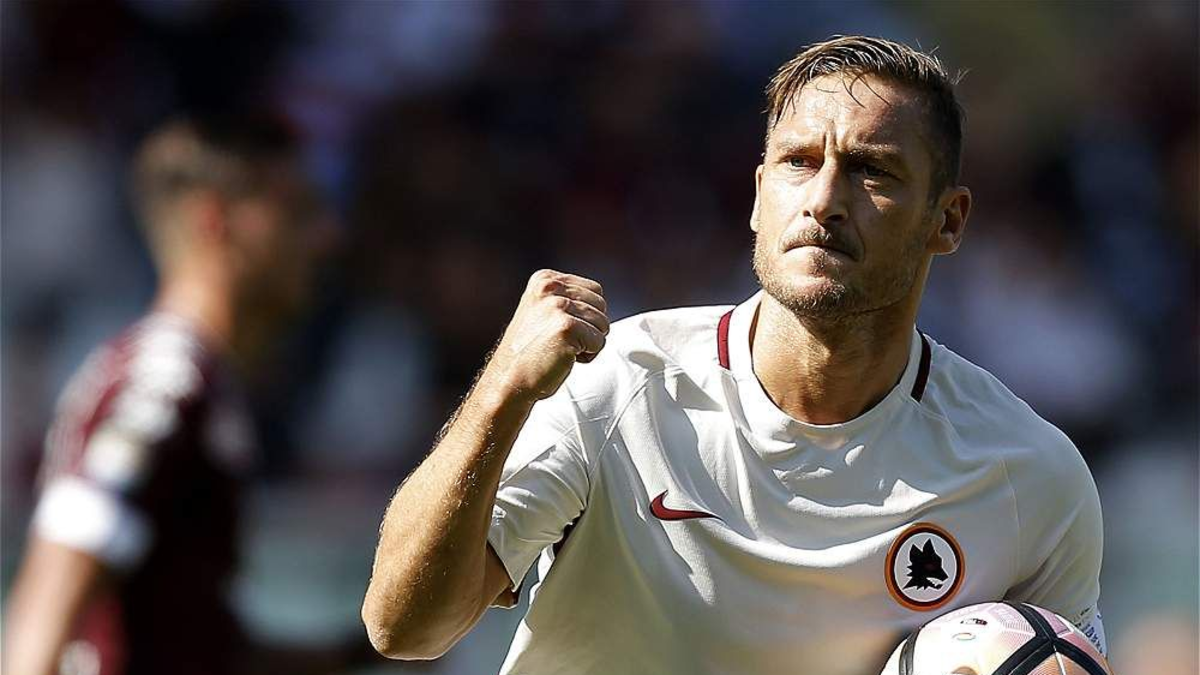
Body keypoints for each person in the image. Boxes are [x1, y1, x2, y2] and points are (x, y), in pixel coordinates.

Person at [361, 35, 1107, 675]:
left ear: (948, 220)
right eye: (797, 162)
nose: (823, 199)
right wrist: (501, 391)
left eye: (872, 170)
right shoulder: (617, 383)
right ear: (756, 196)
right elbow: (403, 629)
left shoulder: (1028, 475)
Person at [3, 114, 338, 675]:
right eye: (295, 211)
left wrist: (355, 655)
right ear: (215, 221)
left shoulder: (204, 384)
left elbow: (186, 642)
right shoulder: (165, 381)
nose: (324, 236)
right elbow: (60, 566)